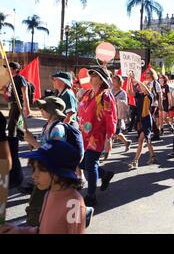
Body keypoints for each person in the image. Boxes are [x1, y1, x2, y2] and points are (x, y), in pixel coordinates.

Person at [0, 140, 86, 234]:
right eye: (34, 168)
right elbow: (42, 230)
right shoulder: (48, 193)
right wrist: (19, 231)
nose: (33, 175)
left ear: (58, 173)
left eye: (41, 169)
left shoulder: (74, 204)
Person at [23, 96, 69, 226]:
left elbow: (53, 152)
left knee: (37, 202)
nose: (41, 110)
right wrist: (33, 142)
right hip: (45, 170)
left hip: (52, 172)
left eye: (44, 108)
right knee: (48, 199)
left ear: (52, 110)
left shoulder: (58, 129)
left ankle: (36, 224)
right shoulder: (47, 126)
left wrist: (34, 142)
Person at [78, 67, 116, 207]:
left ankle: (91, 195)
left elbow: (110, 116)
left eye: (94, 75)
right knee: (83, 163)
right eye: (91, 75)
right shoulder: (88, 93)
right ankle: (105, 175)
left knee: (90, 164)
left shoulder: (105, 95)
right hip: (84, 134)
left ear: (101, 79)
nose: (91, 77)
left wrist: (109, 137)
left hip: (97, 135)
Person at [126, 74, 158, 170]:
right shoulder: (139, 95)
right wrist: (129, 80)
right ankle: (153, 156)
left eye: (141, 86)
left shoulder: (149, 95)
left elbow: (147, 90)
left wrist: (137, 80)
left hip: (147, 120)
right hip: (140, 120)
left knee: (141, 140)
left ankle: (135, 161)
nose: (139, 86)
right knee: (146, 140)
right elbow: (129, 92)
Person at [2, 62, 30, 140]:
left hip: (18, 104)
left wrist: (27, 108)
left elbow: (25, 93)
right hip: (12, 104)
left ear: (16, 69)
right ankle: (27, 138)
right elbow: (9, 95)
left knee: (12, 125)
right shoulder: (11, 79)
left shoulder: (20, 78)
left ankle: (12, 145)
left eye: (9, 67)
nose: (7, 69)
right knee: (14, 125)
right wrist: (5, 91)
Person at [112, 75, 132, 152]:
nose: (113, 83)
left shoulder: (123, 92)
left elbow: (125, 104)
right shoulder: (112, 90)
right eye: (113, 81)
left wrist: (117, 101)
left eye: (115, 81)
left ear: (119, 82)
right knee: (113, 132)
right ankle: (126, 142)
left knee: (115, 132)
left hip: (118, 115)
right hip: (111, 113)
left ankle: (107, 150)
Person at [144, 68, 163, 141]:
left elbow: (160, 94)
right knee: (150, 118)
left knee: (150, 117)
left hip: (154, 103)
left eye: (148, 73)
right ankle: (155, 133)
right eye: (146, 73)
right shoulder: (146, 83)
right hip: (147, 103)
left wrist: (160, 104)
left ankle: (155, 133)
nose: (146, 74)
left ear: (152, 74)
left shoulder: (156, 83)